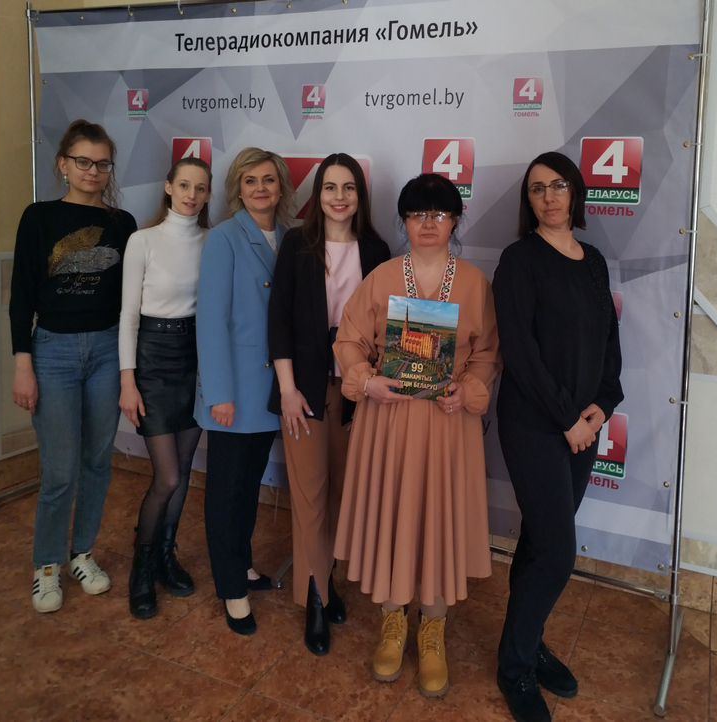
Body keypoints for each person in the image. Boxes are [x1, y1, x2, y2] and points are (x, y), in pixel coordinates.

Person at [333, 173, 500, 697]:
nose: (428, 224)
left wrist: (467, 389)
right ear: (403, 220)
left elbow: (488, 354)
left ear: (455, 220)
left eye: (440, 214)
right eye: (417, 214)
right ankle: (392, 622)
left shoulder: (473, 283)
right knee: (394, 516)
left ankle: (432, 630)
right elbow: (349, 341)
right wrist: (366, 381)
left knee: (438, 520)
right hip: (390, 421)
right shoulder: (382, 276)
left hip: (449, 424)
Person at [491, 151, 623, 722]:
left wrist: (601, 406)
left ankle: (527, 642)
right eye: (537, 188)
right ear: (529, 200)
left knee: (540, 543)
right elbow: (520, 353)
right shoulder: (518, 260)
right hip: (534, 425)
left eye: (558, 185)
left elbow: (608, 342)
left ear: (575, 192)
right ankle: (514, 668)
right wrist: (567, 419)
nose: (549, 196)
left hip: (583, 427)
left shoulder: (593, 261)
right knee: (558, 551)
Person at [10, 119, 137, 613]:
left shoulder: (122, 224)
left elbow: (131, 298)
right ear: (63, 164)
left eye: (102, 163)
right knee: (60, 470)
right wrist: (24, 364)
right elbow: (22, 297)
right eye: (83, 161)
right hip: (53, 352)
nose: (93, 171)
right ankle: (46, 565)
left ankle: (81, 553)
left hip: (107, 350)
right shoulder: (38, 217)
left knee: (98, 462)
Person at [268, 154, 390, 656]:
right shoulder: (297, 244)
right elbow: (279, 321)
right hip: (305, 392)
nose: (339, 197)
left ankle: (329, 577)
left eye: (349, 188)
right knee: (310, 496)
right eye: (330, 187)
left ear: (360, 195)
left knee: (343, 493)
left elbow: (388, 327)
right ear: (317, 195)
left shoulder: (378, 249)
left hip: (358, 394)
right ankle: (314, 597)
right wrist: (287, 389)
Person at [195, 148, 295, 635]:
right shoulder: (223, 238)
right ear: (238, 187)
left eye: (268, 180)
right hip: (233, 391)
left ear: (281, 187)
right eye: (250, 180)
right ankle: (231, 587)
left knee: (248, 487)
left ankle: (243, 563)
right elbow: (211, 321)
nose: (260, 188)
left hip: (270, 391)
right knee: (226, 493)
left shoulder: (290, 237)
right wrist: (218, 392)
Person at [118, 158, 212, 619]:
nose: (192, 195)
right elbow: (128, 317)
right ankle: (141, 566)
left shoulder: (212, 241)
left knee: (185, 469)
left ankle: (164, 556)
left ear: (208, 194)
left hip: (195, 359)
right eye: (184, 185)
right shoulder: (143, 240)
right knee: (168, 477)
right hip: (152, 360)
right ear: (169, 188)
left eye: (201, 188)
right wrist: (127, 380)